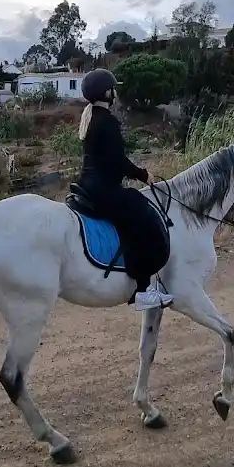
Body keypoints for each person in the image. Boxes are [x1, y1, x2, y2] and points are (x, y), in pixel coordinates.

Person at [75, 67, 173, 311]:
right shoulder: (107, 121)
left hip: (88, 186)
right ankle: (142, 290)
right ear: (107, 93)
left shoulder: (90, 119)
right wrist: (143, 175)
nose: (115, 93)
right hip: (104, 190)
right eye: (113, 89)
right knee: (143, 217)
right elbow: (117, 161)